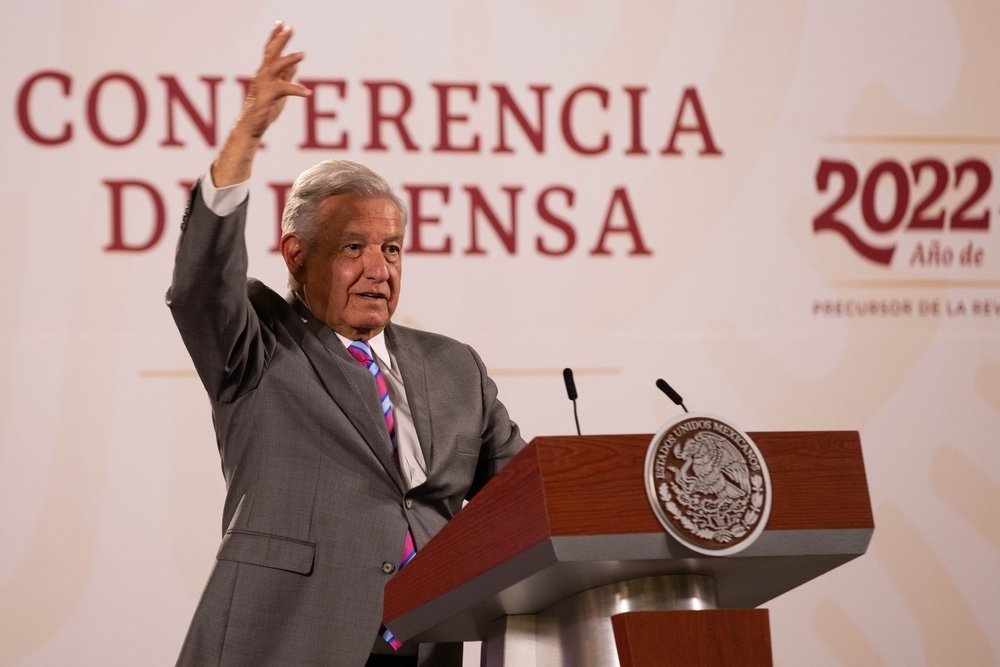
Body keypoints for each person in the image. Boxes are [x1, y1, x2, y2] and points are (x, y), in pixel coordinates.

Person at [167, 23, 526, 667]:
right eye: (353, 248)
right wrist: (245, 138)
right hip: (286, 641)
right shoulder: (257, 344)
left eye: (391, 249)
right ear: (297, 257)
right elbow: (200, 283)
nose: (378, 269)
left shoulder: (455, 368)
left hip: (425, 645)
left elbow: (528, 496)